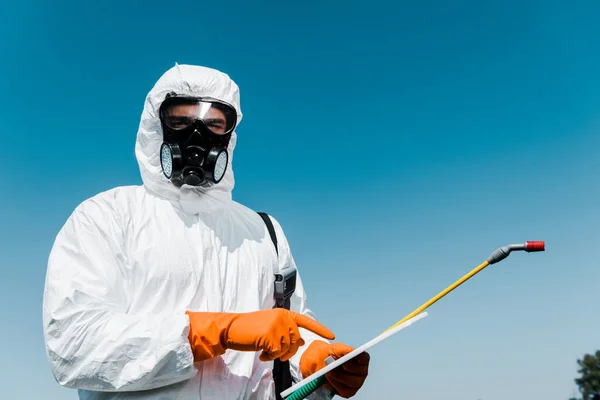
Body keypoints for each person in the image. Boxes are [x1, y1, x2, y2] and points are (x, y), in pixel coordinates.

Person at [42, 64, 370, 400]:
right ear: (156, 127)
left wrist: (315, 363)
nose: (197, 137)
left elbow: (290, 333)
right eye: (180, 122)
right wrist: (211, 332)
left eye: (214, 124)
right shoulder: (106, 217)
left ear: (229, 135)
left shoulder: (264, 232)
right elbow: (73, 344)